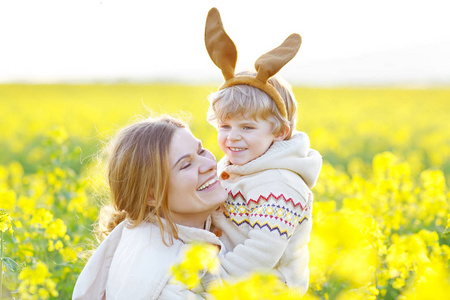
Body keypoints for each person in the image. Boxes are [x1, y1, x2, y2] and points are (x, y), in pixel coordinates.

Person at [204, 8, 322, 295]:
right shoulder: (239, 167)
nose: (233, 138)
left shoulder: (281, 184)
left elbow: (262, 251)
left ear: (280, 131)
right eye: (225, 126)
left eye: (247, 128)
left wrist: (214, 280)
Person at [72, 116, 228, 299]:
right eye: (186, 165)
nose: (210, 164)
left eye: (201, 151)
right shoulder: (166, 285)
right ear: (151, 196)